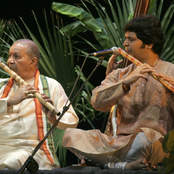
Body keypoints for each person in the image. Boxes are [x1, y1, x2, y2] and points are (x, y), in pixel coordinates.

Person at [62, 14, 174, 170]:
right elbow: (97, 102)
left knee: (145, 138)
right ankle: (122, 165)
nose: (125, 43)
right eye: (126, 38)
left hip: (151, 144)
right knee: (71, 136)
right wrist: (125, 82)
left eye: (131, 39)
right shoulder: (120, 74)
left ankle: (110, 165)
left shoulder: (171, 72)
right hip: (118, 144)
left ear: (149, 43)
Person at [0, 39, 78, 170]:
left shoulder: (50, 85)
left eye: (16, 56)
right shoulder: (1, 85)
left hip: (32, 152)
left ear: (33, 61)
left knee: (11, 162)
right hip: (2, 148)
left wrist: (53, 117)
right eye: (9, 56)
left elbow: (72, 120)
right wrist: (10, 101)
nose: (10, 61)